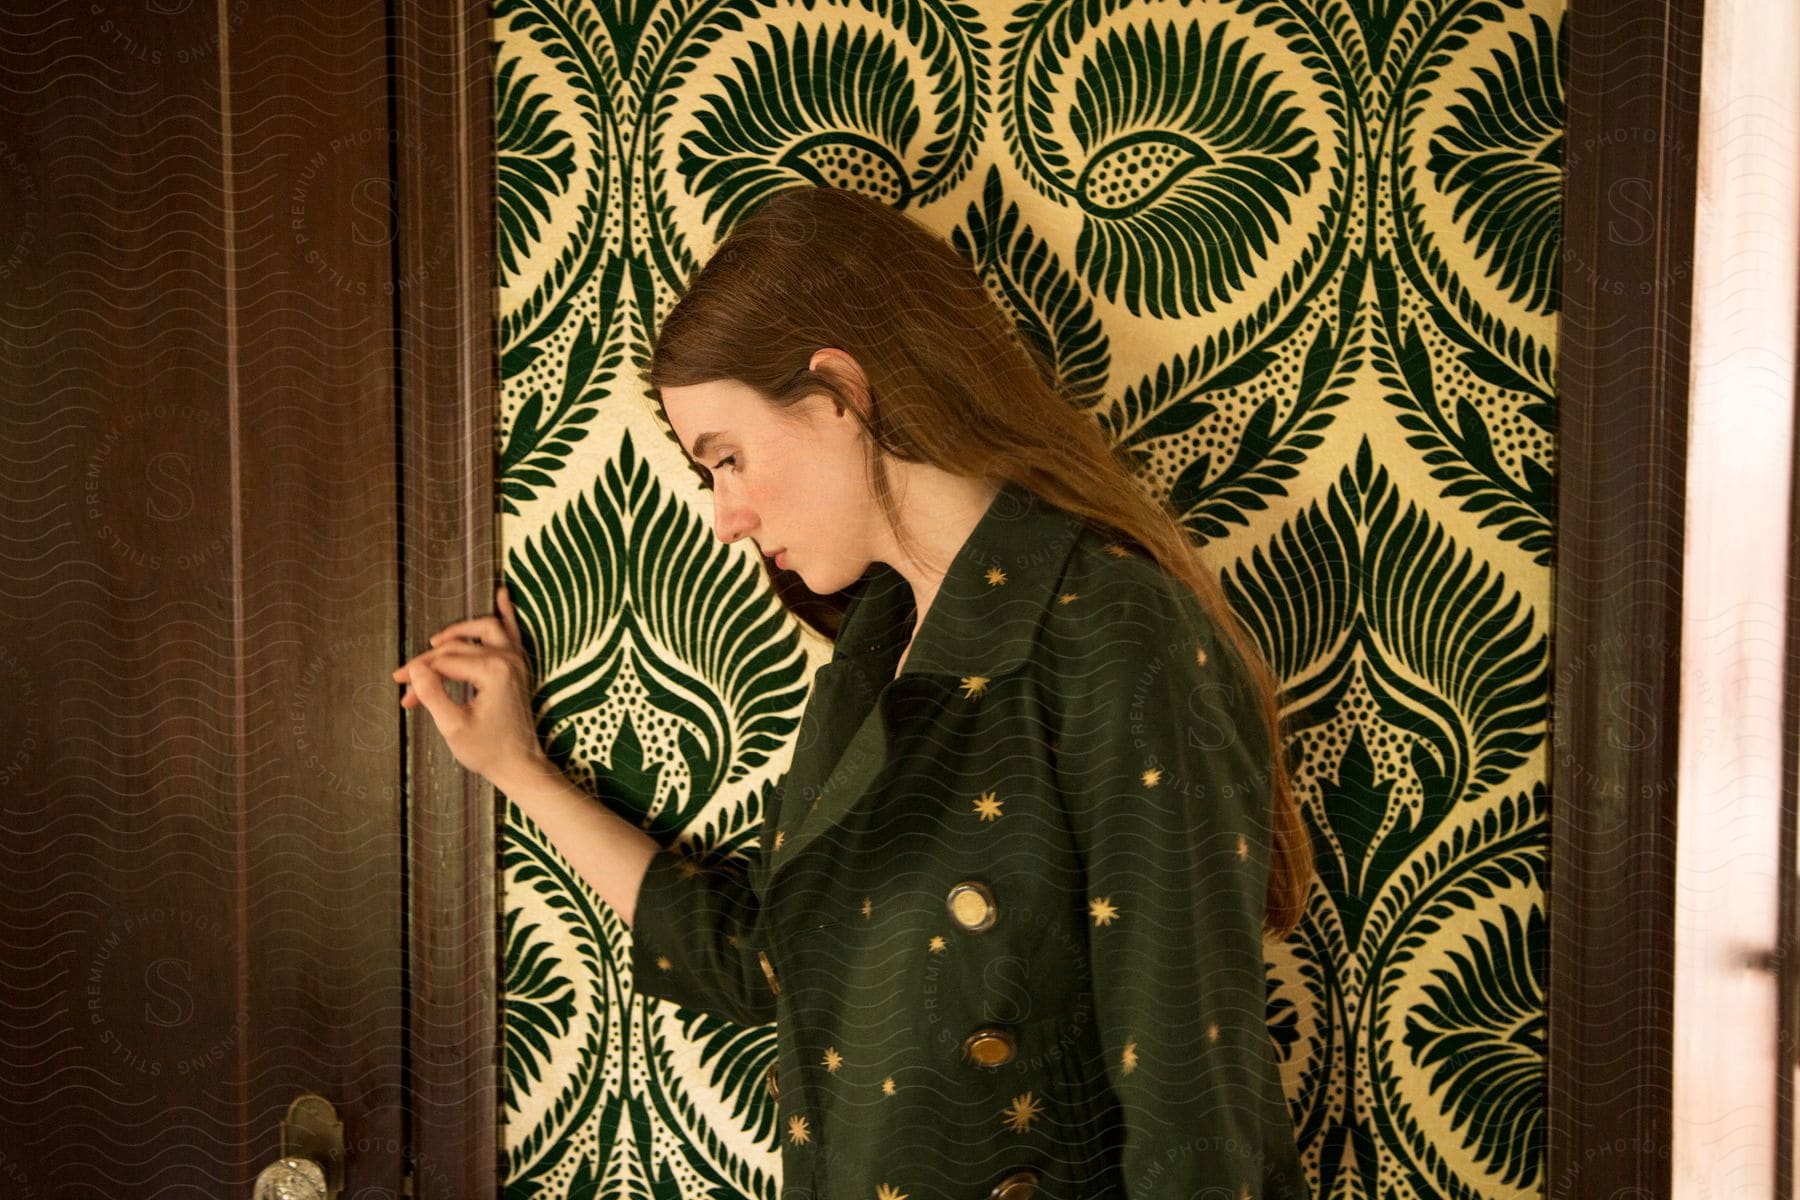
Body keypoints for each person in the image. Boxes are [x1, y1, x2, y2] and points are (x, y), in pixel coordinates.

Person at [393, 185, 1314, 1199]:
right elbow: (771, 965)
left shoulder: (1110, 629)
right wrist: (518, 770)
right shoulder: (873, 658)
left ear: (841, 393)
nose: (726, 516)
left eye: (727, 458)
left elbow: (1196, 1119)